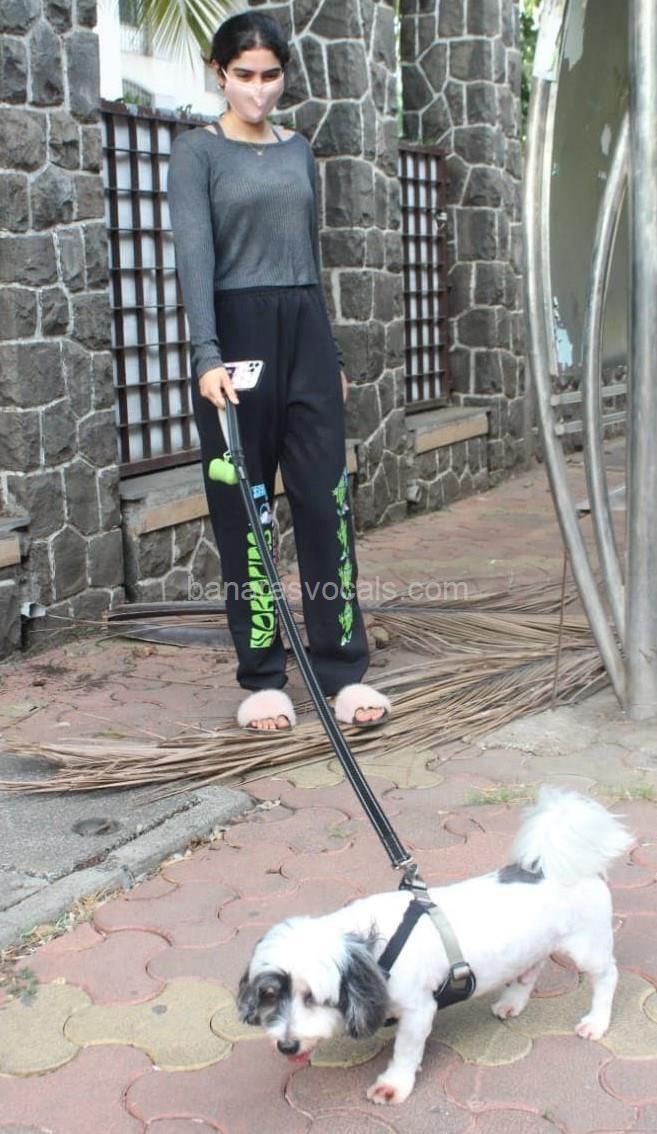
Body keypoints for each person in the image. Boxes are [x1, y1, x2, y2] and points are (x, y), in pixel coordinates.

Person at [167, 11, 391, 734]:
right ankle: (263, 679)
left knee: (327, 503)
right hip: (235, 341)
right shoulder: (196, 153)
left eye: (270, 76)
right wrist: (205, 357)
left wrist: (331, 355)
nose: (259, 90)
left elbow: (310, 259)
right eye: (244, 76)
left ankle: (342, 672)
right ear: (219, 73)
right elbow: (195, 259)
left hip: (305, 334)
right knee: (249, 511)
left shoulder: (298, 151)